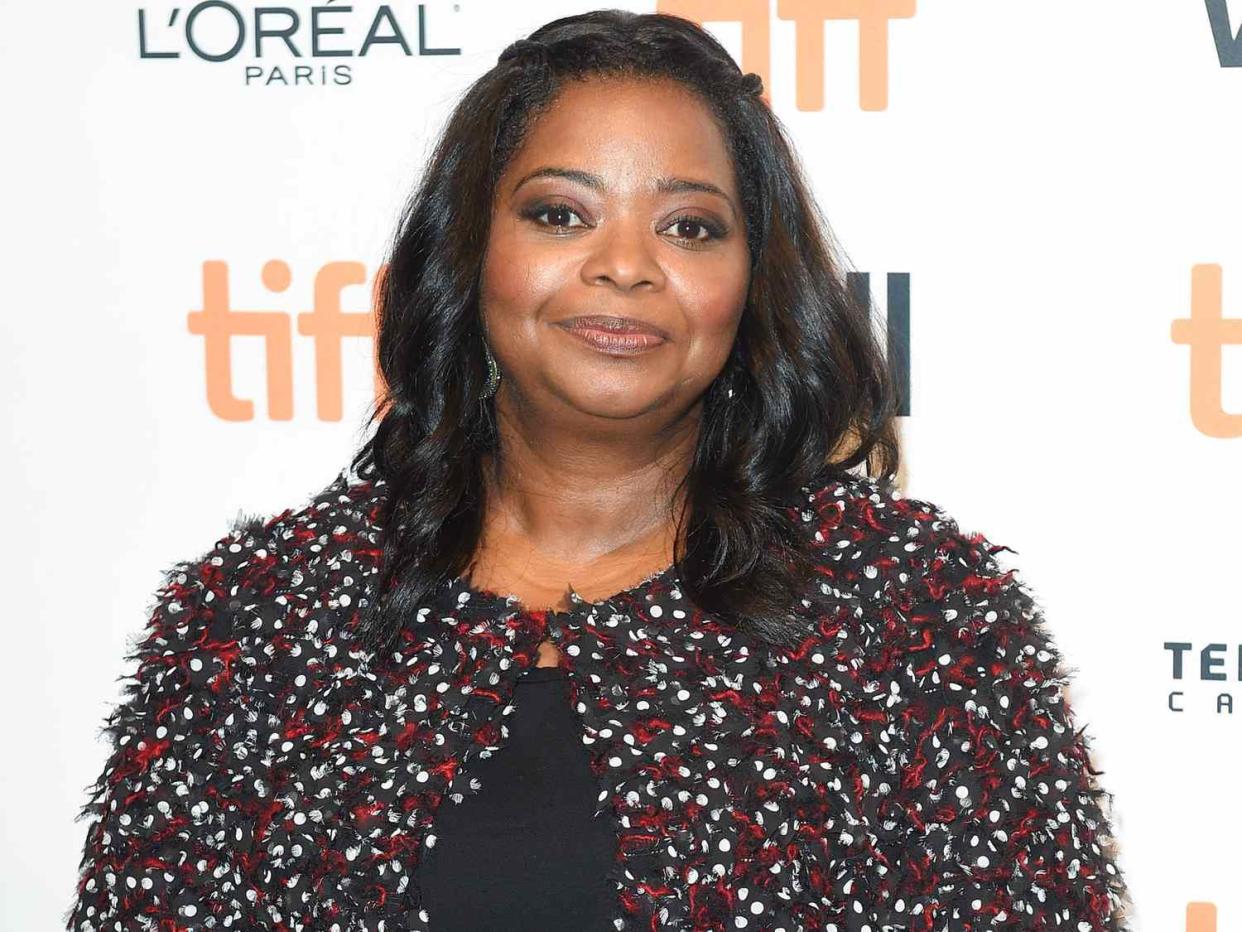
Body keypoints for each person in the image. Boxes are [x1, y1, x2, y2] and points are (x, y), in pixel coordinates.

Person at [65, 9, 1133, 931]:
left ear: (753, 283)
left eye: (690, 225)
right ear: (469, 254)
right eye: (560, 213)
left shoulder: (916, 613)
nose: (625, 264)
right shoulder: (262, 614)